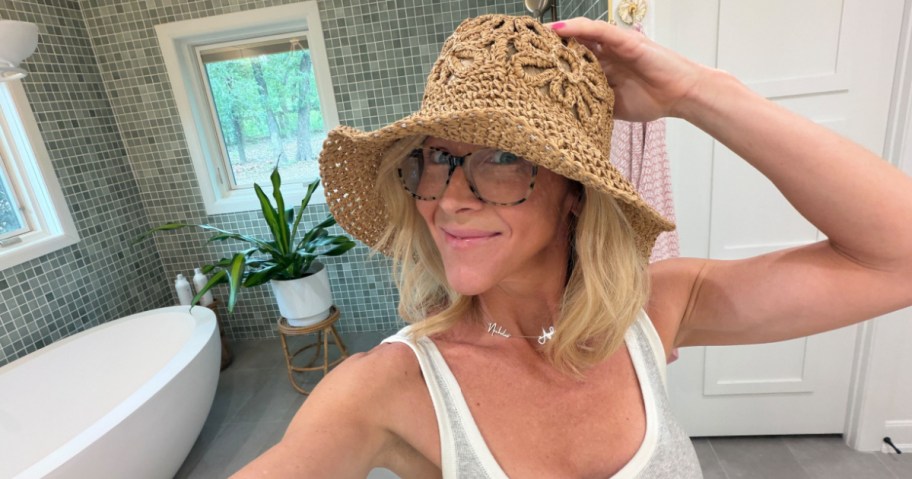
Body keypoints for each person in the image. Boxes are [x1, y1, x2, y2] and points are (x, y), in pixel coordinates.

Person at [233, 14, 912, 478]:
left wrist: (699, 92)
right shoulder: (386, 387)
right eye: (435, 157)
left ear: (576, 192)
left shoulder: (651, 311)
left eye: (500, 156)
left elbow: (896, 255)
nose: (449, 196)